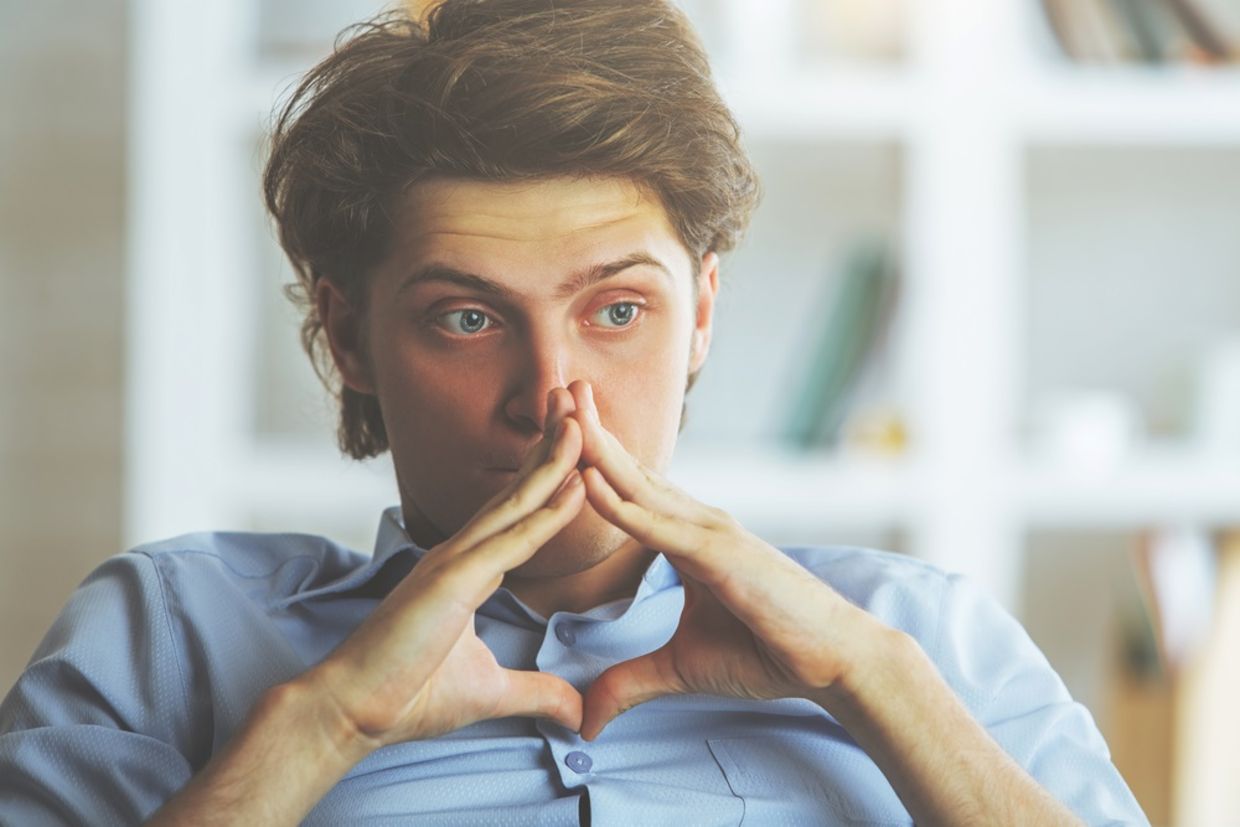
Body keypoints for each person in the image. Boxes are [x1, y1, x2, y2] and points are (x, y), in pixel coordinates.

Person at [0, 1, 1147, 824]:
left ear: (701, 314)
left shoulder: (918, 636)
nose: (553, 397)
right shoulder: (170, 632)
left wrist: (873, 683)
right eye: (466, 318)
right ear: (350, 337)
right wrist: (327, 721)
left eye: (616, 311)